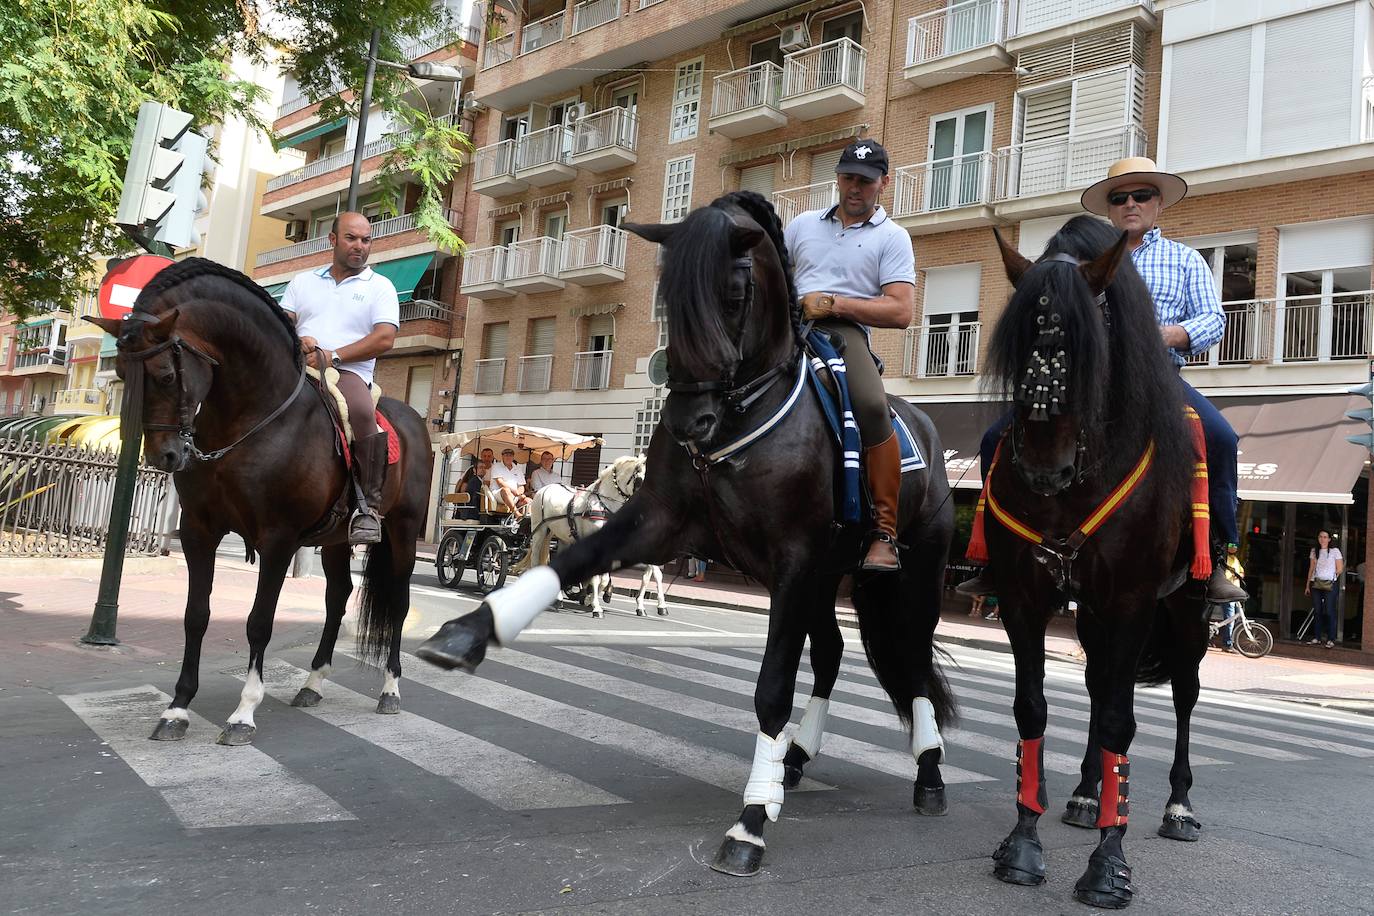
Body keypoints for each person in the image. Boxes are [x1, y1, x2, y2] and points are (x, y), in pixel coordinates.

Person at [961, 158, 1246, 603]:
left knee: (1220, 438)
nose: (1131, 204)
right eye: (1119, 198)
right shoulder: (1076, 261)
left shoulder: (1185, 259)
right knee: (997, 438)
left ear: (1159, 204)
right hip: (1081, 381)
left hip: (1156, 377)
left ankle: (1217, 555)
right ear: (1110, 209)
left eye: (1142, 195)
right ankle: (999, 554)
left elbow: (1213, 320)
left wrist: (1161, 335)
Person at [783, 139, 915, 572]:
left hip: (842, 333)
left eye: (865, 180)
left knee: (873, 406)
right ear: (837, 178)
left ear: (884, 184)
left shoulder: (893, 237)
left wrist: (835, 304)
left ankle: (884, 532)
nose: (854, 187)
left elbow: (900, 310)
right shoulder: (801, 224)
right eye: (847, 178)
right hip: (785, 325)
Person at [281, 211, 399, 545]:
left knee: (361, 413)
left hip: (348, 371)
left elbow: (384, 338)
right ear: (333, 240)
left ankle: (367, 508)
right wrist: (296, 338)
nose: (360, 246)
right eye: (351, 238)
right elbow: (284, 322)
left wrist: (335, 355)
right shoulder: (302, 282)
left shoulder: (380, 287)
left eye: (366, 240)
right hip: (298, 365)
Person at [1305, 530, 1344, 648]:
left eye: (1325, 537)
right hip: (1316, 584)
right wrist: (1307, 585)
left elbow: (1340, 568)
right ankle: (1317, 637)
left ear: (1329, 539)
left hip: (1330, 584)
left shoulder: (1334, 551)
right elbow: (1311, 568)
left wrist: (1332, 576)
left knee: (1329, 610)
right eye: (1321, 536)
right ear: (1318, 538)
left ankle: (1330, 638)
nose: (1323, 539)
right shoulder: (1314, 551)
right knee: (1317, 610)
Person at [1216, 544, 1246, 652]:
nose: (1234, 547)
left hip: (1235, 591)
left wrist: (1239, 574)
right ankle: (1227, 643)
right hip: (1228, 592)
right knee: (1230, 618)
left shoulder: (1235, 559)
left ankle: (1231, 641)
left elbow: (1241, 571)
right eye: (1231, 545)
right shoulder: (1225, 559)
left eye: (1235, 546)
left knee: (1236, 617)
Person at [490, 447, 531, 515]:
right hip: (499, 494)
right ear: (502, 456)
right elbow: (500, 482)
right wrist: (514, 492)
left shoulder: (517, 468)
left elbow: (521, 486)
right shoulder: (496, 466)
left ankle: (527, 522)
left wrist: (519, 493)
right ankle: (517, 514)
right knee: (505, 490)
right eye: (506, 455)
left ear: (513, 457)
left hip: (515, 495)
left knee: (528, 501)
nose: (508, 457)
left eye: (510, 455)